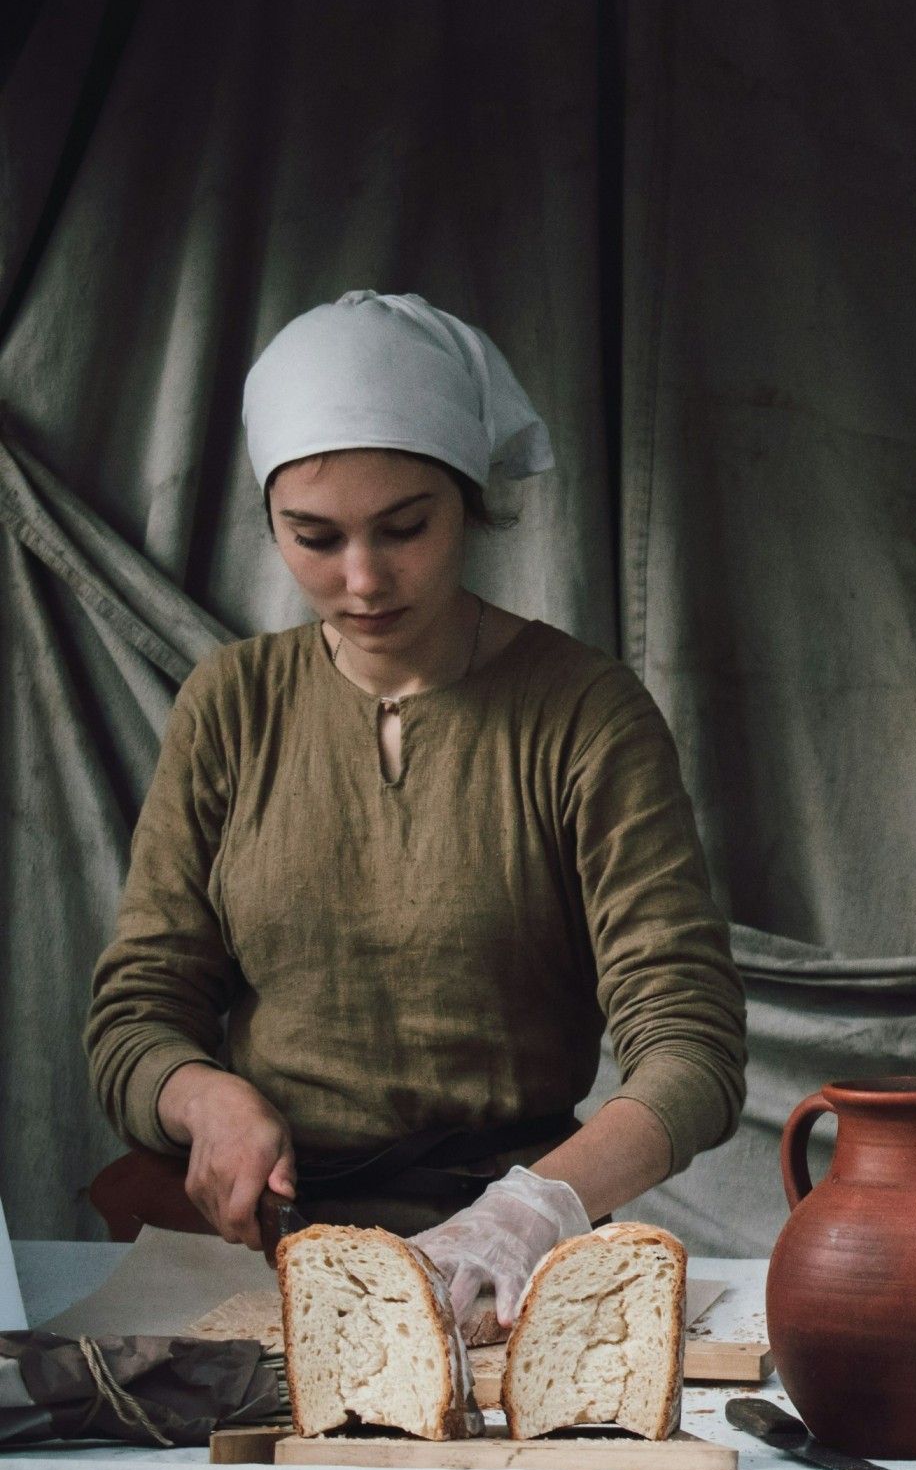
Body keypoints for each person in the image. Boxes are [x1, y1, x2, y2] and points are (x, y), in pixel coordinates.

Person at [85, 291, 747, 1339]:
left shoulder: (582, 714)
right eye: (314, 537)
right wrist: (203, 1098)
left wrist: (536, 1207)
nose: (361, 580)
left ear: (471, 503)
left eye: (405, 529)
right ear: (270, 521)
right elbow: (136, 1015)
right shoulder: (231, 706)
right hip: (260, 1259)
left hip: (505, 1271)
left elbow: (692, 1048)